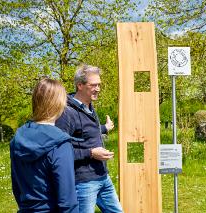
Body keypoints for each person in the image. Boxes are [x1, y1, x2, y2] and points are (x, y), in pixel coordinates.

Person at [56, 64, 123, 213]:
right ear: (80, 85)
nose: (98, 89)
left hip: (103, 177)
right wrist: (91, 153)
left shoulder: (89, 106)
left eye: (99, 85)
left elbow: (85, 133)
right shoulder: (66, 113)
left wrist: (104, 128)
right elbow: (60, 150)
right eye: (93, 85)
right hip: (84, 182)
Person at [10, 79, 78, 212]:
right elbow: (67, 200)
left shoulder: (17, 139)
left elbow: (17, 187)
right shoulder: (60, 143)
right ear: (59, 104)